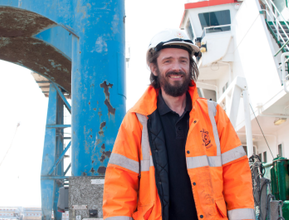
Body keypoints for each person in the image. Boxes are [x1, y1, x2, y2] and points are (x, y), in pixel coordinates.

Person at [103, 29, 254, 220]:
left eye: (183, 60)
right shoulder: (136, 120)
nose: (177, 67)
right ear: (154, 68)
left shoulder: (214, 116)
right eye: (168, 61)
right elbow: (120, 184)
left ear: (190, 65)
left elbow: (236, 175)